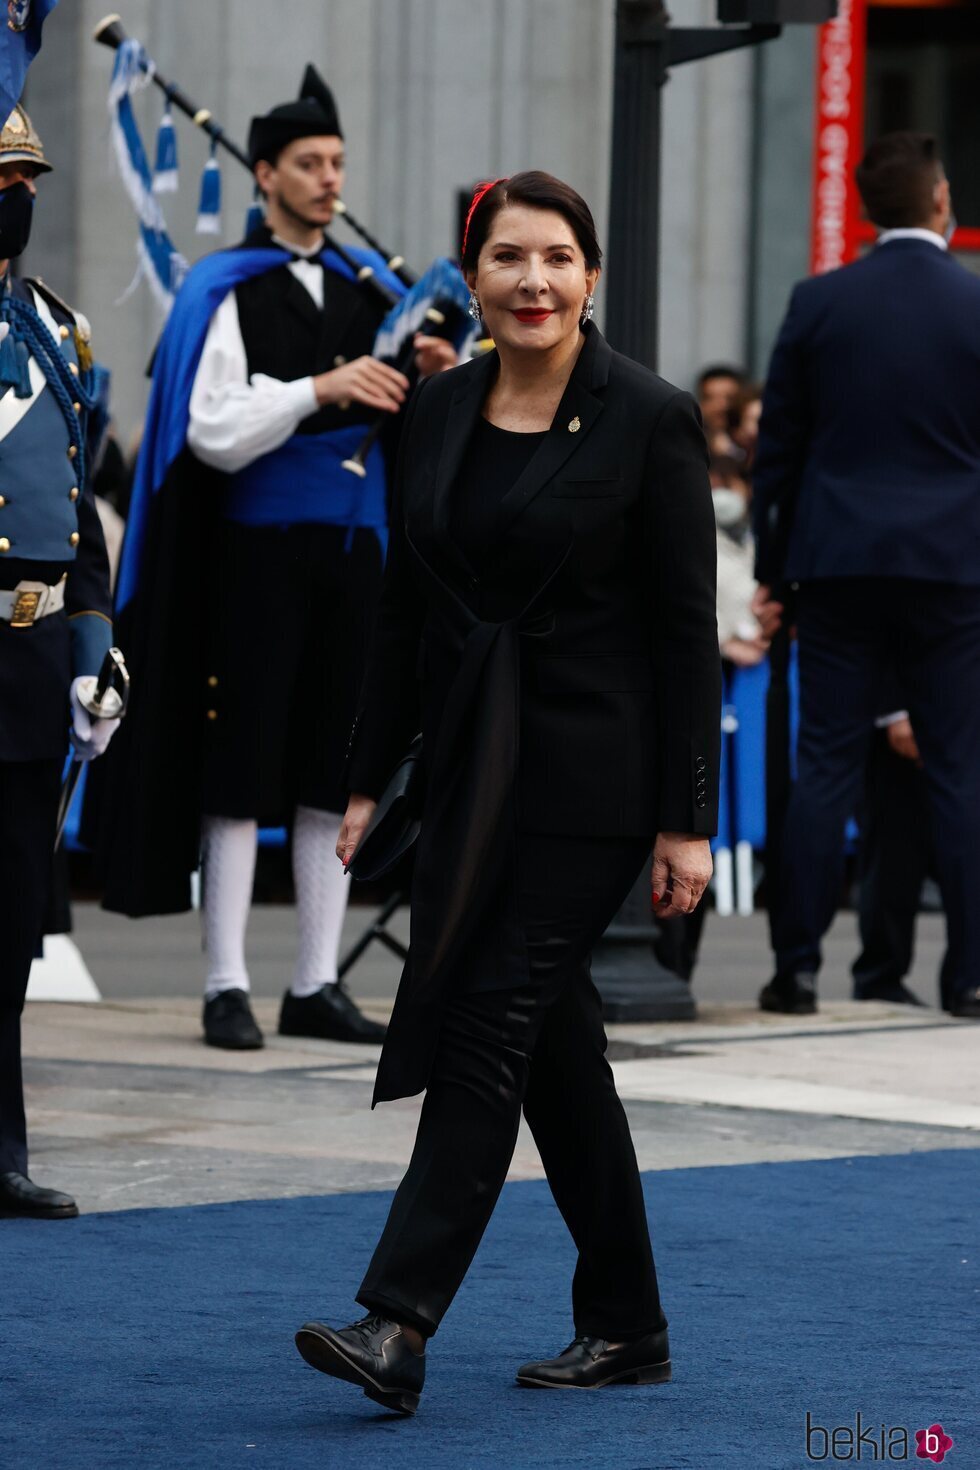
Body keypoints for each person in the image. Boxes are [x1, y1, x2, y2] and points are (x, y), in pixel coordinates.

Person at [293, 171, 721, 1415]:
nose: (532, 281)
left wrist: (686, 817)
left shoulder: (647, 417)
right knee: (551, 1051)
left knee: (487, 1015)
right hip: (468, 766)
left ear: (590, 275)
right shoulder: (431, 411)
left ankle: (396, 1320)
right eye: (506, 259)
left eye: (557, 259)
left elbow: (685, 635)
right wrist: (369, 780)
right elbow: (401, 614)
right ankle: (627, 1322)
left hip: (592, 775)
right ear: (469, 276)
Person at [89, 68, 456, 1051]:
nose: (329, 179)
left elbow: (403, 430)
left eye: (336, 163)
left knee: (329, 771)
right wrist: (318, 385)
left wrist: (427, 382)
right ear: (264, 174)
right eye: (308, 164)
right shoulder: (223, 289)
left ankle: (312, 983)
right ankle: (224, 983)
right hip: (254, 558)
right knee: (238, 764)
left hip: (354, 560)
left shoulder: (366, 291)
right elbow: (210, 431)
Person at [752, 131, 980, 1020]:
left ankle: (796, 969)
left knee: (825, 767)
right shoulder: (972, 308)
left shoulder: (820, 301)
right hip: (954, 565)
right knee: (961, 771)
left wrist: (776, 571)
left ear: (866, 211)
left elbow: (780, 451)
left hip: (839, 560)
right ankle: (967, 974)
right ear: (940, 200)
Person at [0, 106, 118, 1220]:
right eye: (2, 176)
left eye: (25, 176)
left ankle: (1, 1148)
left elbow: (80, 530)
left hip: (30, 660)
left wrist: (96, 652)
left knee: (10, 916)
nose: (16, 194)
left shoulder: (59, 334)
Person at [696, 363, 744, 456]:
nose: (721, 406)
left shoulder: (756, 445)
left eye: (730, 398)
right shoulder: (688, 445)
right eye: (710, 398)